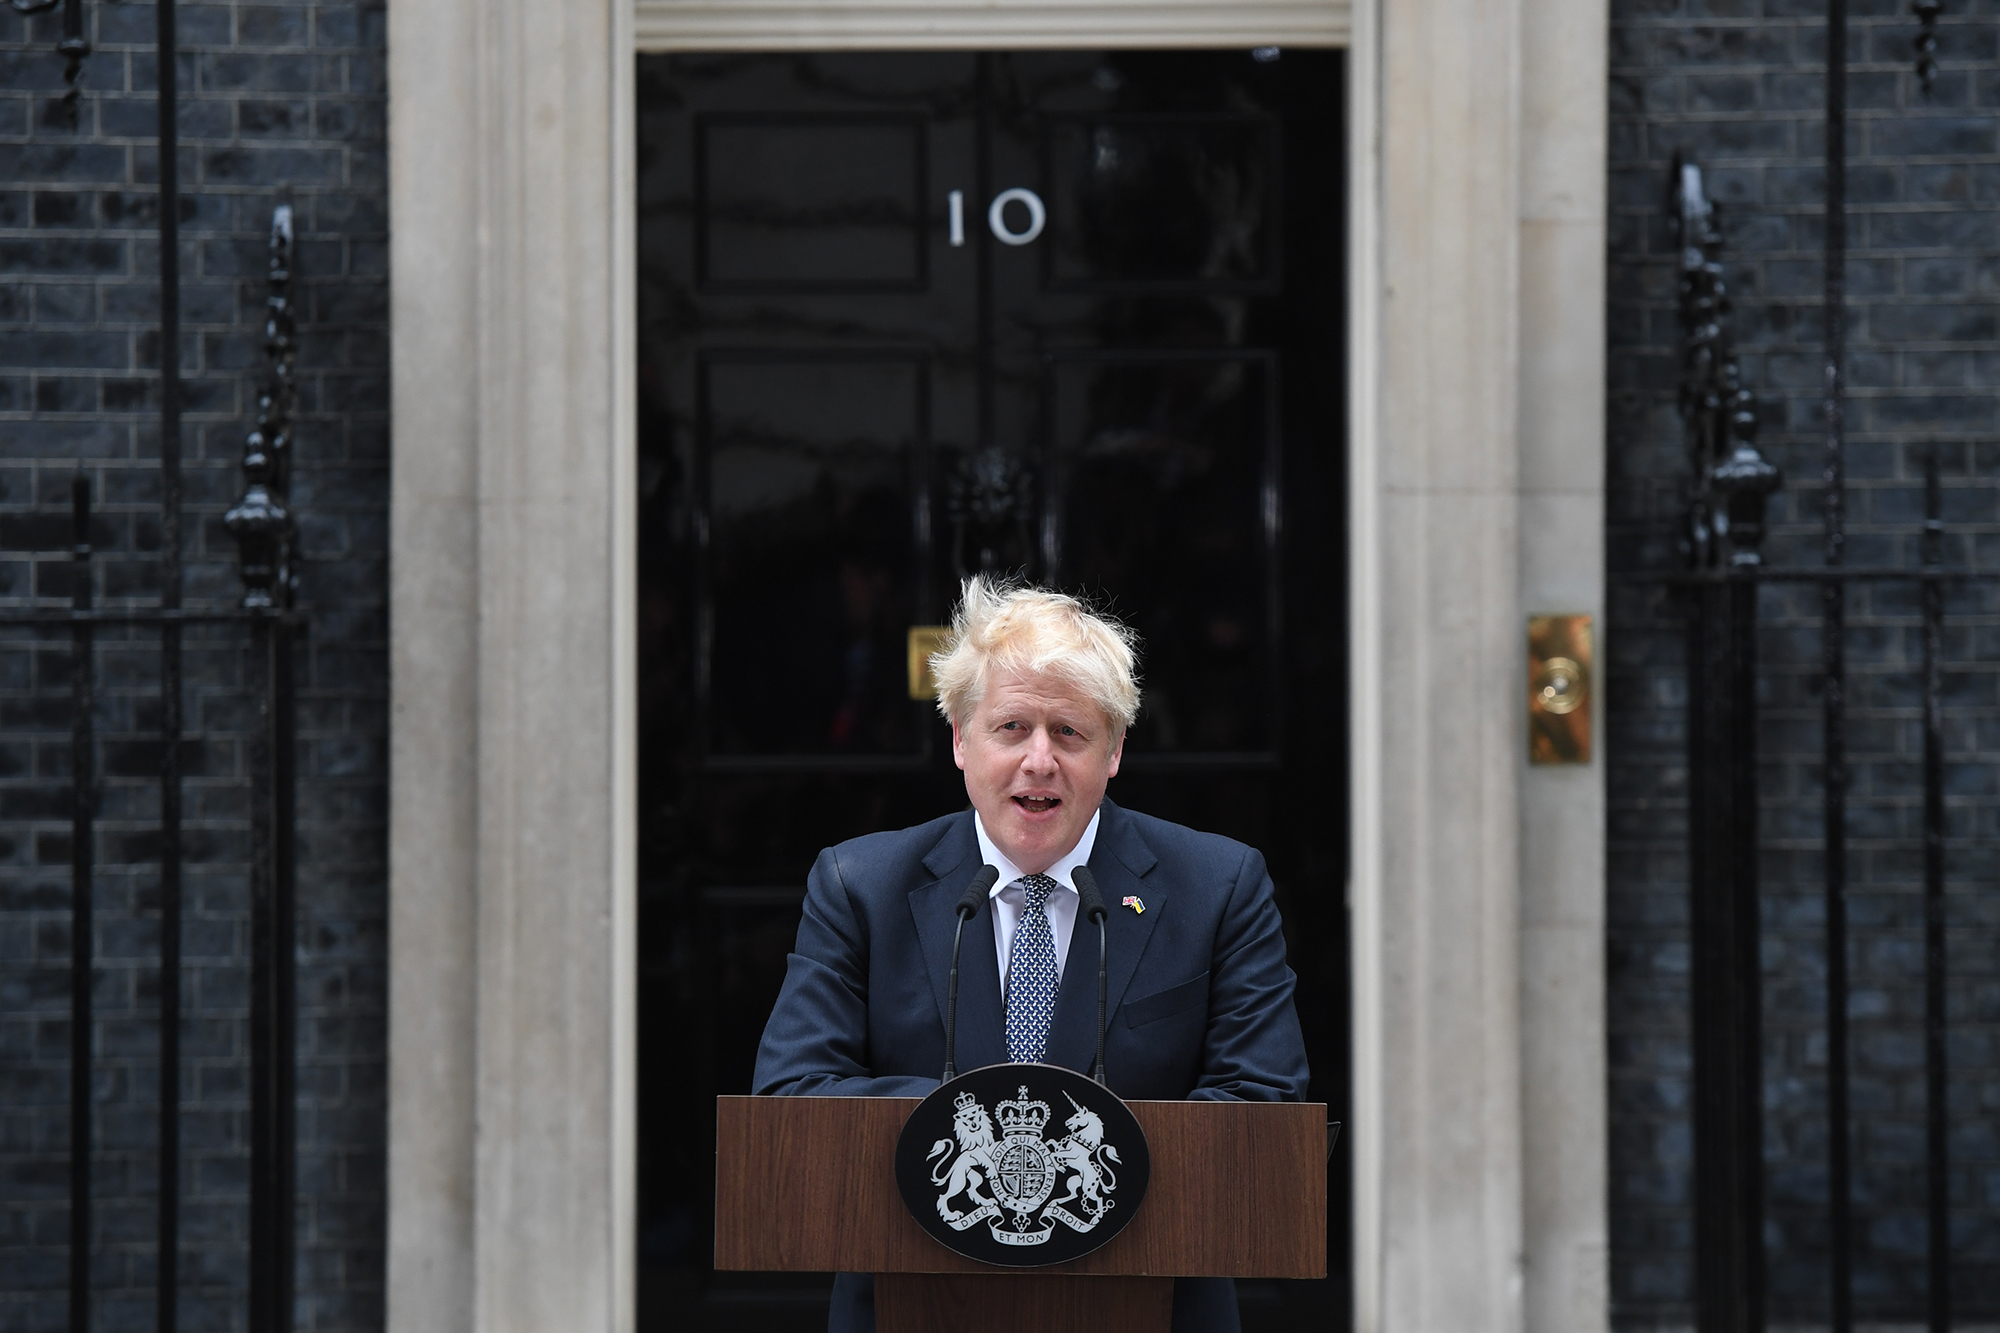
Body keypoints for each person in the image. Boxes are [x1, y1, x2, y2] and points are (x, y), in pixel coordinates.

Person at [753, 575, 1311, 1333]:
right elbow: (793, 1100)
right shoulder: (860, 886)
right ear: (960, 739)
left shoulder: (1219, 886)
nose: (1040, 760)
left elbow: (1264, 1111)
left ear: (1113, 750)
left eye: (1070, 732)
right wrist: (986, 1128)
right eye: (1012, 726)